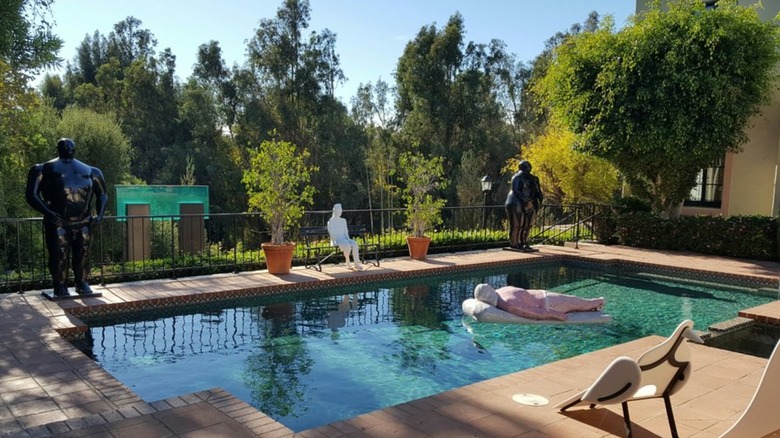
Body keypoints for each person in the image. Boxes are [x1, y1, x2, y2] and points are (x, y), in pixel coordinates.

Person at [25, 138, 107, 297]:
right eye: (65, 145)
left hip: (84, 221)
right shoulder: (43, 169)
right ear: (58, 148)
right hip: (58, 222)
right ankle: (60, 285)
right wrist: (48, 212)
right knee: (59, 254)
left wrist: (101, 214)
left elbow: (102, 194)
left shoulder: (92, 171)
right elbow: (31, 195)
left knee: (83, 254)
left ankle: (82, 282)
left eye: (70, 145)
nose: (68, 147)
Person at [475, 283, 604, 322]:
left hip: (548, 300)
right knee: (579, 303)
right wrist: (557, 315)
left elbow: (537, 312)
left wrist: (559, 315)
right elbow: (536, 312)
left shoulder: (505, 299)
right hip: (548, 300)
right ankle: (596, 303)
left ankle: (596, 303)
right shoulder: (505, 297)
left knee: (579, 303)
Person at [504, 160, 543, 250]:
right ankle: (515, 243)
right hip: (516, 202)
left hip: (531, 203)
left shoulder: (534, 178)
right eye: (527, 166)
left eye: (529, 165)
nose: (529, 167)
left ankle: (524, 242)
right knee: (516, 225)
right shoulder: (517, 177)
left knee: (528, 225)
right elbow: (516, 190)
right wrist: (526, 200)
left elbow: (538, 191)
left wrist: (539, 201)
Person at [327, 203, 363, 270]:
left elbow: (346, 231)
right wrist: (335, 241)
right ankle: (348, 261)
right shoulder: (331, 222)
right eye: (339, 210)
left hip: (345, 239)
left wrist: (348, 238)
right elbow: (331, 233)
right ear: (335, 211)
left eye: (341, 210)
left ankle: (356, 264)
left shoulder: (343, 220)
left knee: (354, 243)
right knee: (347, 245)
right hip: (337, 240)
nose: (340, 212)